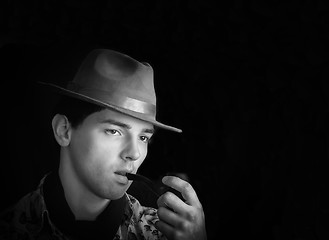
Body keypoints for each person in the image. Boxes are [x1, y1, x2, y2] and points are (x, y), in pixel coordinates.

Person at [0, 48, 207, 240]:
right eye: (114, 131)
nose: (134, 153)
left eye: (143, 137)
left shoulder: (164, 233)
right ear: (64, 130)